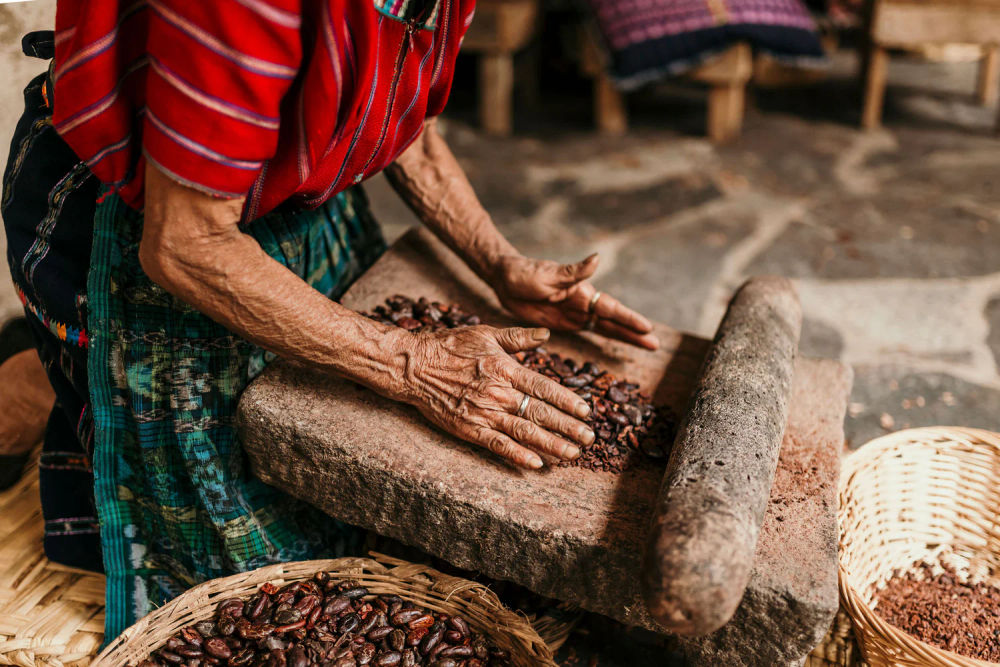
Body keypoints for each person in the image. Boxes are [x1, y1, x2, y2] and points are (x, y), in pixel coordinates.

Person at [1, 0, 658, 638]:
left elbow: (400, 113)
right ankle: (52, 379)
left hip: (298, 198)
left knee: (358, 496)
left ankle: (66, 378)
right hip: (149, 223)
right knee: (255, 570)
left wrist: (500, 262)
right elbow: (185, 244)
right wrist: (413, 362)